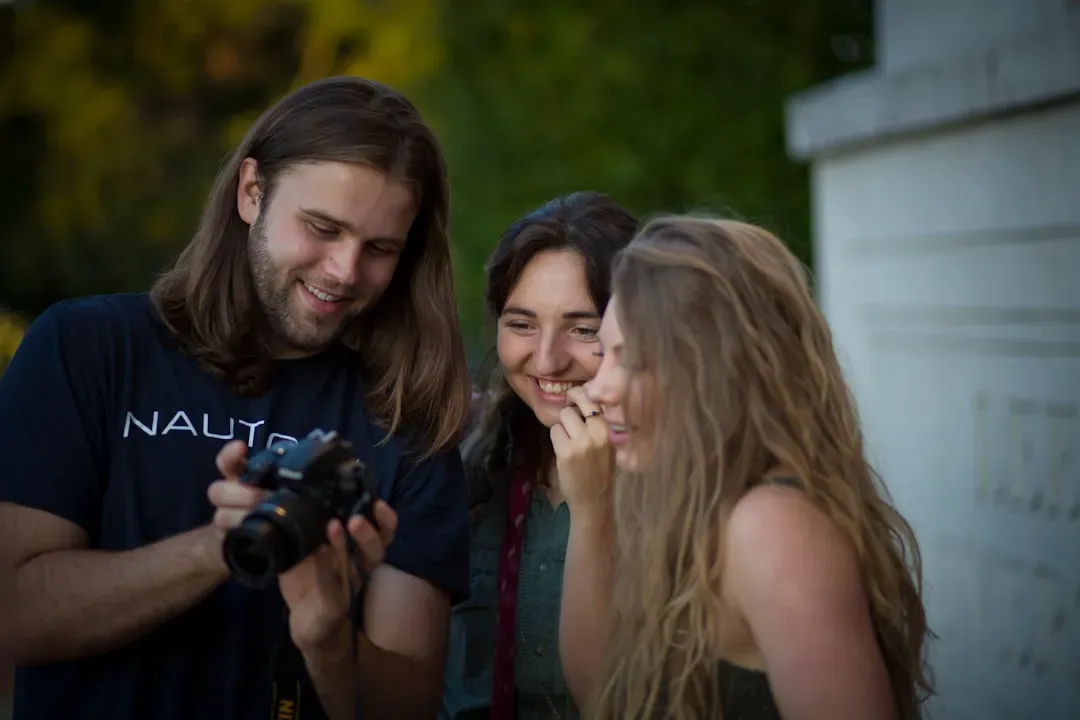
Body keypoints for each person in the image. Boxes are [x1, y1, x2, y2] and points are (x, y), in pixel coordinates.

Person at [0, 76, 472, 720]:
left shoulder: (405, 420)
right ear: (253, 192)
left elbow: (411, 705)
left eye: (380, 249)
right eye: (322, 228)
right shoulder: (85, 348)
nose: (344, 270)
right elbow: (18, 615)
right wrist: (223, 546)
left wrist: (327, 637)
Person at [555, 216, 934, 719]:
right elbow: (601, 694)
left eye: (635, 359)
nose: (599, 388)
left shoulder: (773, 529)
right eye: (605, 353)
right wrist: (589, 509)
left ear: (715, 369)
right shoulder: (689, 501)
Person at [440, 192, 638, 720]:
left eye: (583, 329)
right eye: (522, 324)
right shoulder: (465, 464)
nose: (546, 359)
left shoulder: (688, 486)